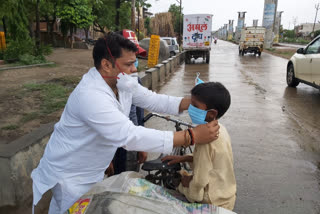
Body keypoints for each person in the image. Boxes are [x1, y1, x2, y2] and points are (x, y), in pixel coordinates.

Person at [31, 32, 221, 214]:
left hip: (92, 167)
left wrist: (192, 102)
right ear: (106, 64)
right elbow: (128, 136)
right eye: (129, 64)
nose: (135, 69)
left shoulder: (123, 82)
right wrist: (190, 136)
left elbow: (153, 100)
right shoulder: (90, 95)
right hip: (71, 176)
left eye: (135, 62)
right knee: (70, 210)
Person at [162, 82, 237, 211]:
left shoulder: (205, 140)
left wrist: (186, 184)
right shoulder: (220, 129)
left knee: (178, 182)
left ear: (211, 113)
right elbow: (213, 159)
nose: (190, 108)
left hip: (212, 200)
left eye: (195, 106)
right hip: (226, 194)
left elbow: (200, 181)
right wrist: (185, 158)